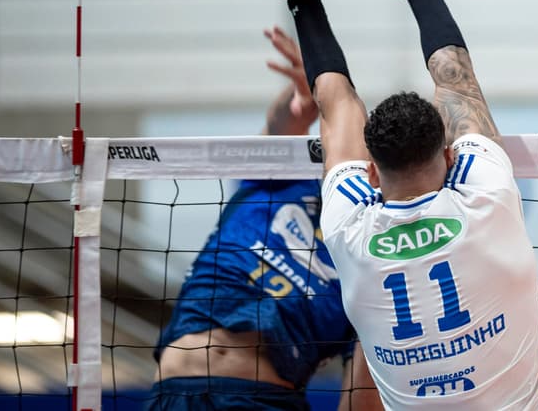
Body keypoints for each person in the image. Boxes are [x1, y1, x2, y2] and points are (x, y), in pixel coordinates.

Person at [257, 0, 538, 409]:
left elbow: (337, 105)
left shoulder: (348, 224)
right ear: (453, 156)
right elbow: (456, 79)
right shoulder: (487, 200)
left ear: (371, 170)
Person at [147, 26, 382, 410]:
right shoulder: (281, 176)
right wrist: (300, 99)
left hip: (264, 400)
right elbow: (279, 129)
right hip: (174, 393)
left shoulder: (375, 249)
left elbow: (361, 390)